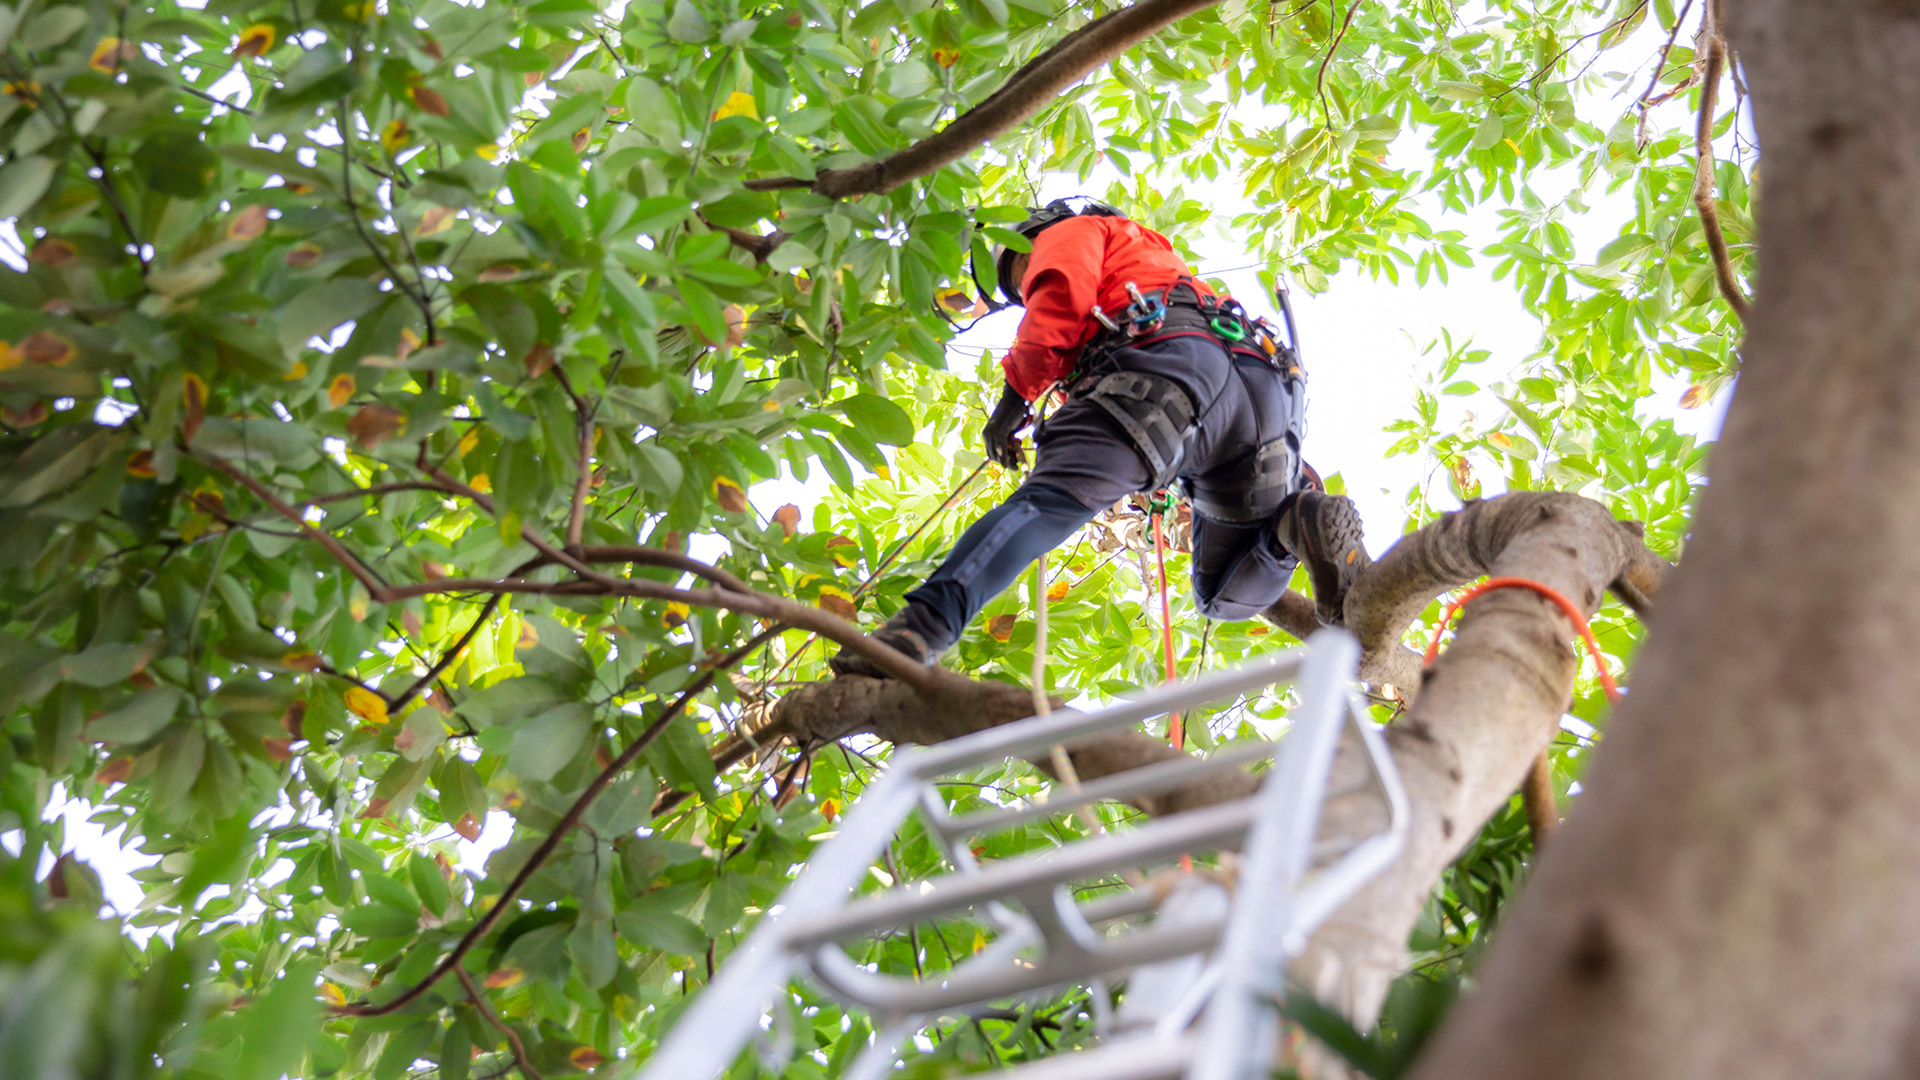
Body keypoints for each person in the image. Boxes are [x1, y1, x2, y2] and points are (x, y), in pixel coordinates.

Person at [830, 198, 1371, 679]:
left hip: (1169, 375)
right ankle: (1294, 521)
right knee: (1223, 595)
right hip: (1265, 399)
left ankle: (917, 630)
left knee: (1046, 505)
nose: (1022, 290)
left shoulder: (1069, 234)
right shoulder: (1155, 260)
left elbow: (1060, 301)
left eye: (1017, 278)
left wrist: (1012, 403)